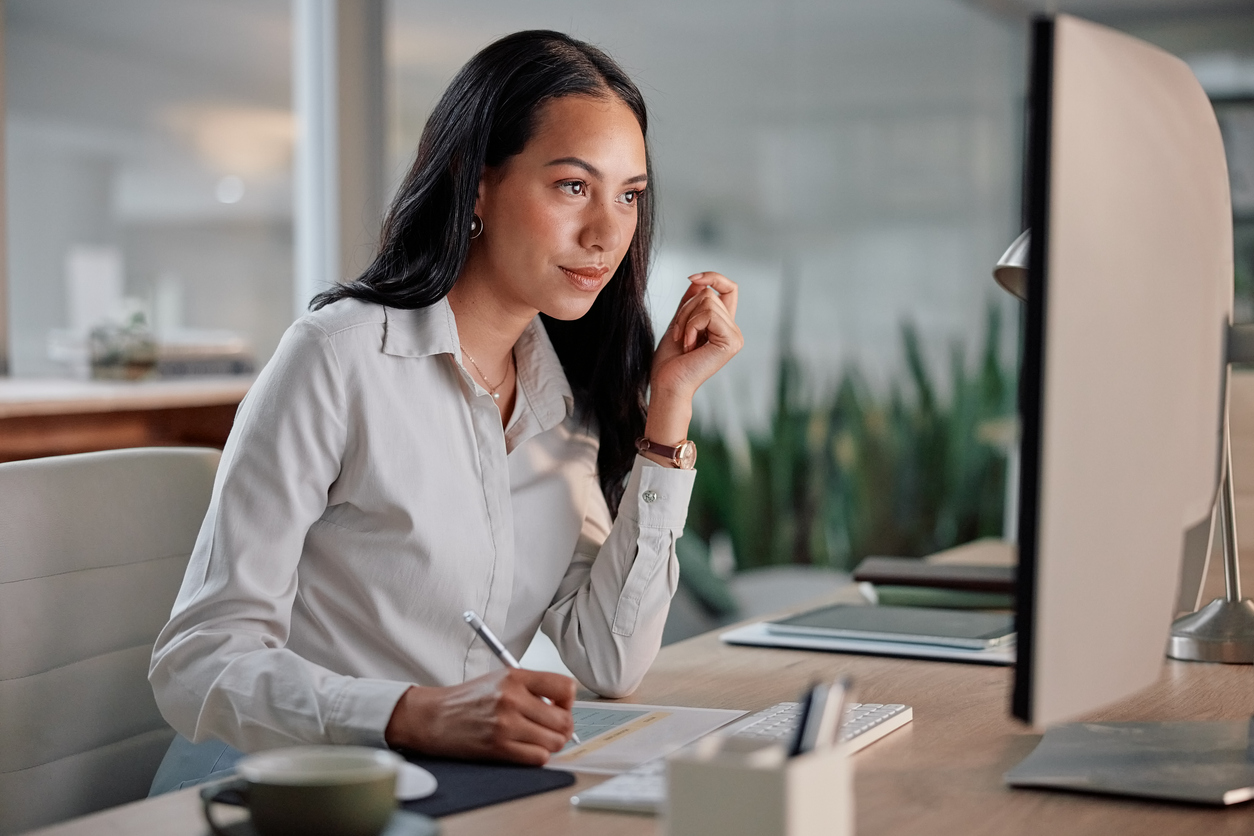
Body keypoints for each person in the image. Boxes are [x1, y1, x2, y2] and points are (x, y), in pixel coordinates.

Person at [147, 29, 742, 792]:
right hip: (270, 790)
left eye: (628, 195)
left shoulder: (567, 401)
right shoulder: (338, 357)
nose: (606, 233)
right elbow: (198, 664)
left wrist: (669, 408)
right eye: (571, 186)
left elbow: (610, 658)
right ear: (477, 181)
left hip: (442, 788)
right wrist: (414, 713)